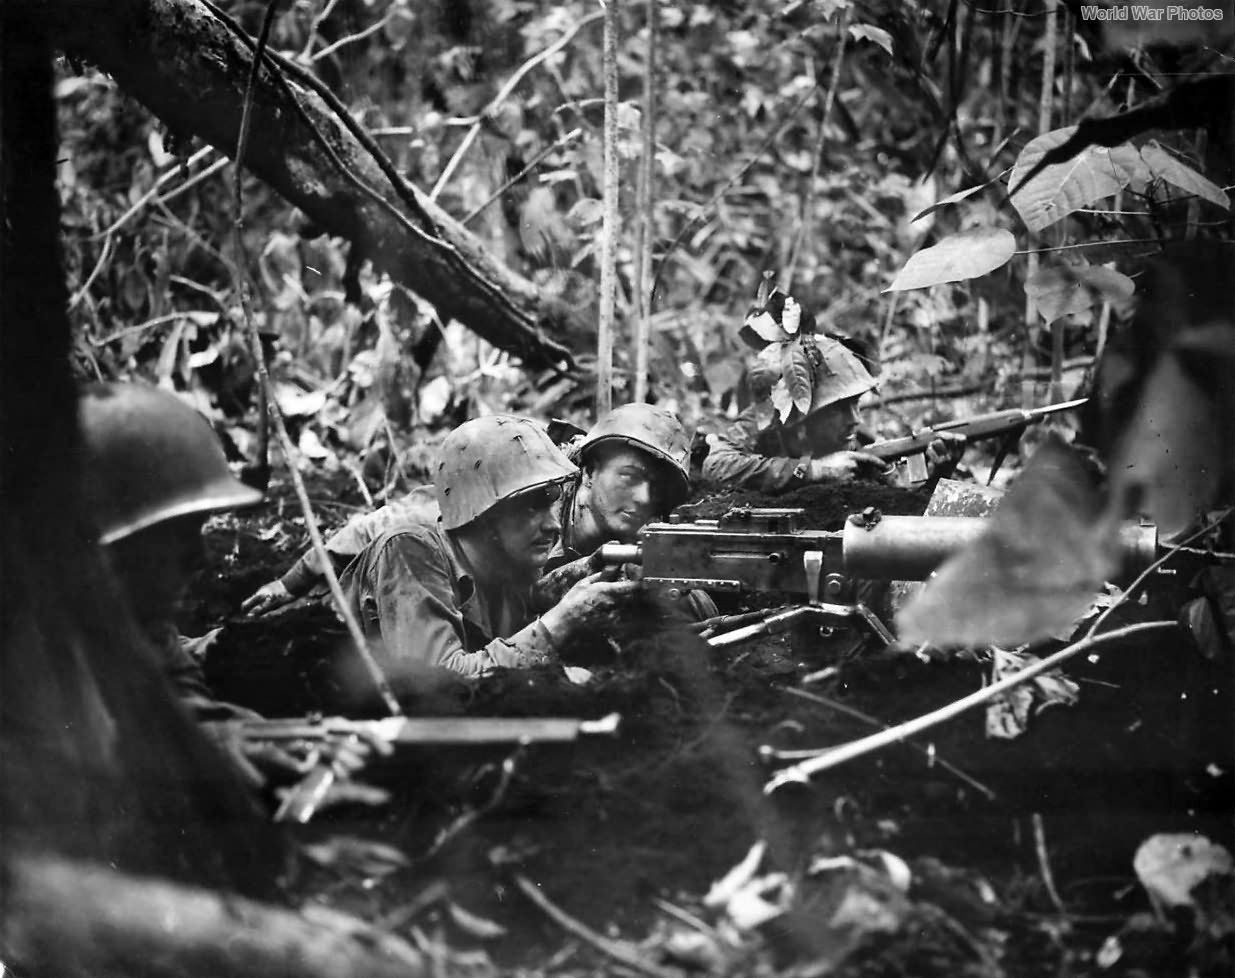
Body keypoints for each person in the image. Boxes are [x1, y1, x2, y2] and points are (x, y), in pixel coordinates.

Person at [80, 382, 372, 790]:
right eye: (177, 536)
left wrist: (268, 736)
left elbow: (182, 699)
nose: (197, 558)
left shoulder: (138, 621)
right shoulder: (28, 645)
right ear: (106, 544)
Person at [241, 403, 695, 615]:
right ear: (590, 469)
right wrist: (290, 582)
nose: (642, 500)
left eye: (657, 489)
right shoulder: (518, 492)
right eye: (629, 477)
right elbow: (391, 526)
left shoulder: (634, 543)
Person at [339, 415, 640, 683]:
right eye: (531, 507)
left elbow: (525, 601)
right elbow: (437, 685)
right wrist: (559, 624)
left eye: (550, 503)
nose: (553, 526)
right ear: (482, 512)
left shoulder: (500, 560)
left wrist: (583, 572)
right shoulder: (410, 550)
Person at [703, 333, 961, 491]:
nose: (855, 419)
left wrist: (937, 475)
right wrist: (814, 471)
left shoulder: (859, 440)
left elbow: (902, 508)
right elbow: (717, 467)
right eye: (839, 408)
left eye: (856, 403)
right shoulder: (766, 419)